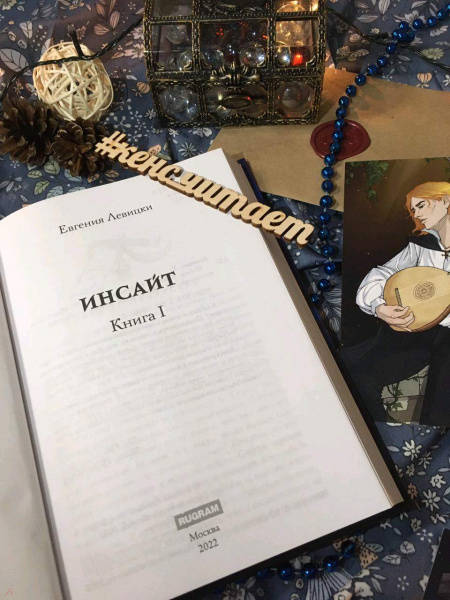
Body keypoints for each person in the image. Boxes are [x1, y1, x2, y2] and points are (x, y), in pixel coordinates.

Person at [342, 181, 450, 425]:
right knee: (350, 370)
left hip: (446, 341)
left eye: (421, 205)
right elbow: (381, 274)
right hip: (414, 335)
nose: (417, 214)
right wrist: (379, 306)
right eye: (413, 210)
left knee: (439, 409)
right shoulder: (421, 246)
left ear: (445, 201)